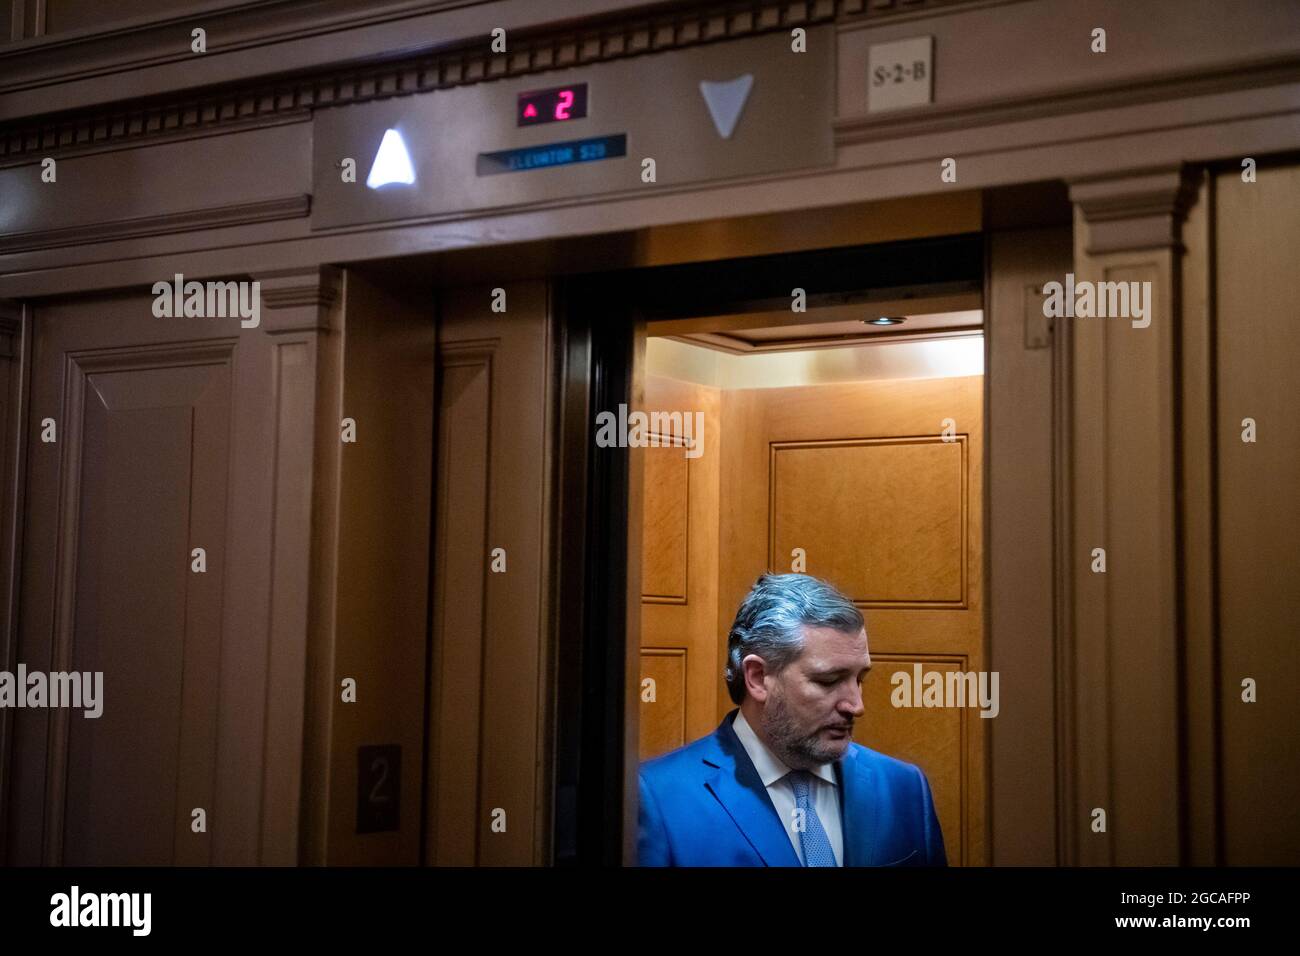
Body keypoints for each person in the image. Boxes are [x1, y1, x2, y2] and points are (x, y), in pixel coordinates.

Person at [638, 572, 947, 867]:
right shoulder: (659, 799)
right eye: (829, 681)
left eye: (859, 678)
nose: (856, 705)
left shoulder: (904, 789)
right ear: (758, 678)